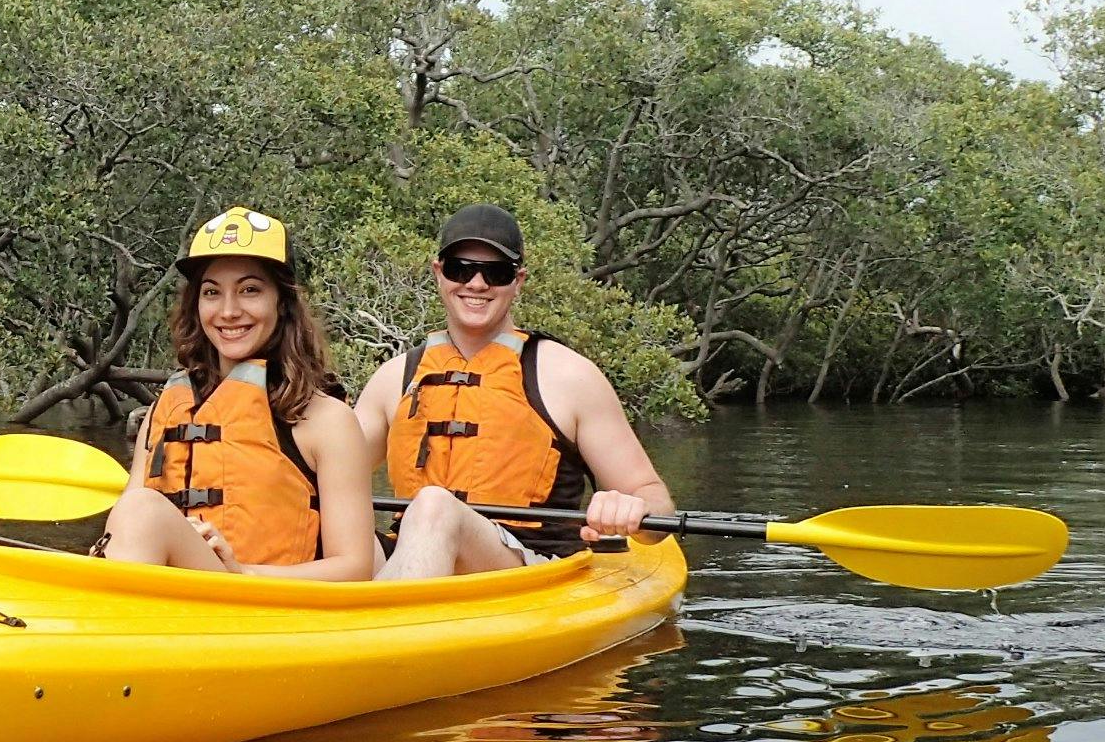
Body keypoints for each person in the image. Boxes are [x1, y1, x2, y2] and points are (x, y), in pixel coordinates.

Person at [354, 202, 675, 577]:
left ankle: (388, 624)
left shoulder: (570, 376)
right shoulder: (394, 378)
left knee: (434, 507)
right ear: (439, 273)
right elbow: (325, 482)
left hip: (529, 568)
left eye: (496, 273)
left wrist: (631, 508)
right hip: (412, 553)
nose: (476, 284)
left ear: (518, 281)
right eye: (461, 269)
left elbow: (656, 502)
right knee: (327, 532)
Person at [95, 207, 376, 580]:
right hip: (178, 597)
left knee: (142, 509)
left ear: (282, 301)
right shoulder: (169, 406)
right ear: (197, 305)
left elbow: (354, 568)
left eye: (249, 290)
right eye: (212, 292)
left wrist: (243, 571)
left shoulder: (327, 421)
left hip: (268, 609)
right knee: (137, 508)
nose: (228, 311)